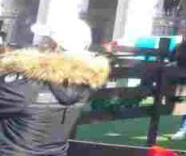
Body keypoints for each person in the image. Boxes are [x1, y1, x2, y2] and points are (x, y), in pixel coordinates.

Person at [0, 19, 110, 156]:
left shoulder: (27, 84)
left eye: (45, 40)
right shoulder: (84, 84)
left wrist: (10, 64)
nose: (39, 44)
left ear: (55, 46)